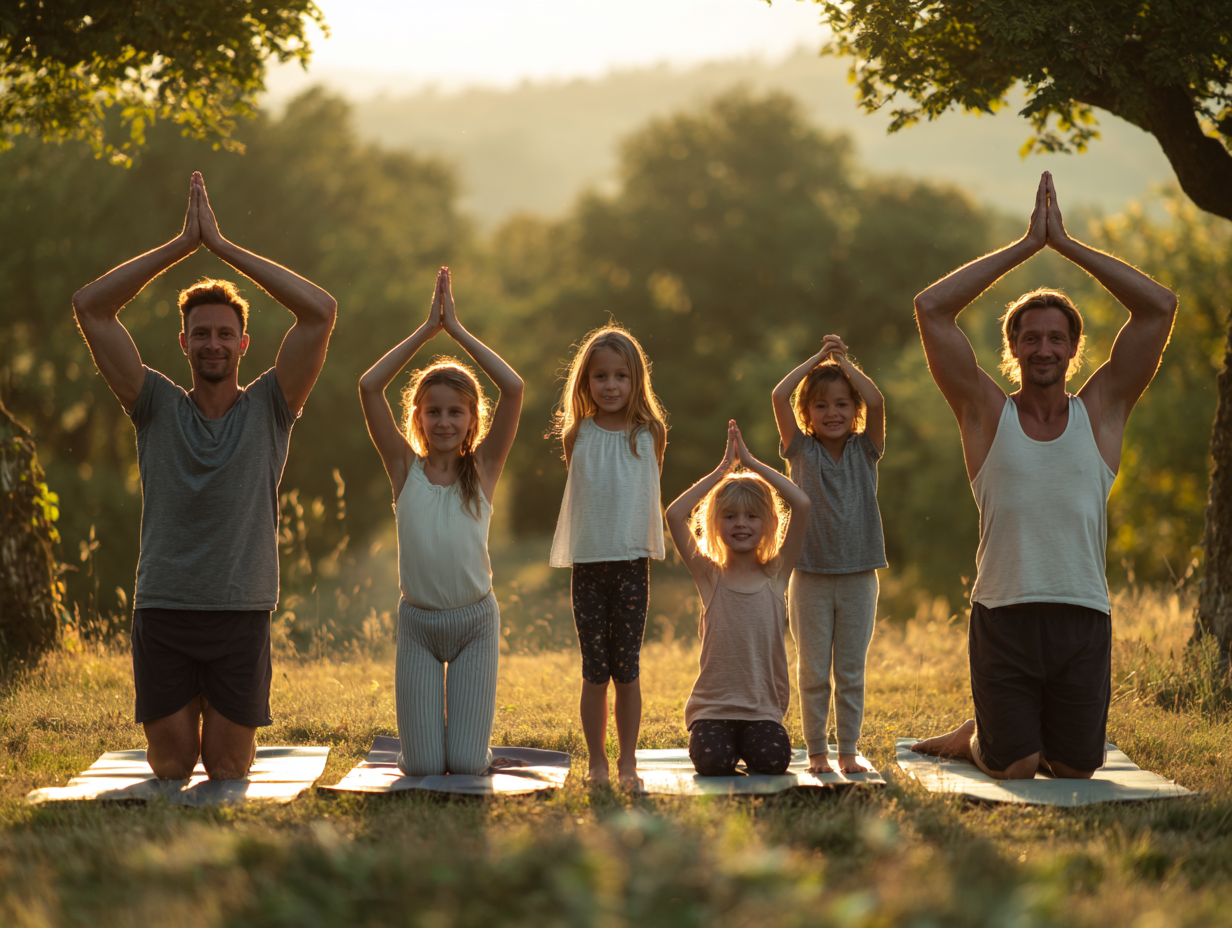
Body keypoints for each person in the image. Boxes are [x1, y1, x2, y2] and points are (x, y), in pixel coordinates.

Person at [911, 172, 1177, 780]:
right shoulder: (984, 414)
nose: (1044, 348)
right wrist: (1028, 246)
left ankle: (988, 727)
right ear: (1014, 350)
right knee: (1017, 769)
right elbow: (932, 308)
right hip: (1003, 614)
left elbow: (1159, 305)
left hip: (1082, 617)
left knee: (1074, 770)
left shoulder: (1102, 413)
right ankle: (978, 738)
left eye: (1057, 338)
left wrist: (1068, 244)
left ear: (1074, 349)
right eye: (1030, 338)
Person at [72, 172, 338, 780]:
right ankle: (184, 710)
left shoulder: (272, 406)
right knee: (171, 766)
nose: (212, 343)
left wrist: (221, 248)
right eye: (201, 334)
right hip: (164, 609)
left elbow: (320, 312)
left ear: (244, 343)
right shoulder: (155, 404)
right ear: (184, 343)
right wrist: (180, 246)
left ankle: (210, 712)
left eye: (224, 333)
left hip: (240, 613)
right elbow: (90, 306)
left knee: (225, 769)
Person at [359, 267, 523, 776]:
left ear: (473, 419)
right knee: (423, 766)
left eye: (456, 412)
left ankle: (476, 747)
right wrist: (427, 331)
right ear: (418, 417)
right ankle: (431, 740)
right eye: (434, 412)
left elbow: (514, 388)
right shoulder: (404, 469)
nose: (445, 421)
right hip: (418, 626)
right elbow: (368, 387)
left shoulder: (485, 468)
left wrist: (458, 331)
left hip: (475, 622)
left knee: (470, 765)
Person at [549, 326, 668, 787]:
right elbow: (585, 496)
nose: (611, 385)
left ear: (636, 380)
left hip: (632, 564)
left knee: (628, 668)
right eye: (601, 376)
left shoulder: (649, 432)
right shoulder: (576, 433)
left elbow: (644, 493)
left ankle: (628, 763)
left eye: (621, 376)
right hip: (589, 565)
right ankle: (597, 761)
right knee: (595, 670)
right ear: (586, 382)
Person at [665, 420, 810, 777]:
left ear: (767, 524)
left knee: (772, 762)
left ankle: (748, 744)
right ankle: (726, 746)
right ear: (715, 523)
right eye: (729, 516)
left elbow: (802, 504)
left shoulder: (776, 576)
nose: (741, 523)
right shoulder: (708, 576)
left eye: (751, 516)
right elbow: (674, 514)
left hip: (762, 710)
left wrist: (753, 464)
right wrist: (722, 472)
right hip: (711, 710)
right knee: (714, 763)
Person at [771, 335, 886, 775]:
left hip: (859, 576)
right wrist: (818, 360)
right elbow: (780, 394)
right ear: (806, 415)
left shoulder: (866, 450)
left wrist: (844, 363)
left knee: (851, 673)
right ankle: (817, 750)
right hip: (810, 575)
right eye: (820, 405)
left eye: (841, 404)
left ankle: (848, 750)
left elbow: (875, 400)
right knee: (814, 671)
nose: (832, 413)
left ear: (853, 412)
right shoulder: (800, 450)